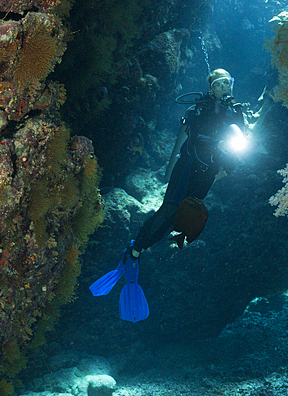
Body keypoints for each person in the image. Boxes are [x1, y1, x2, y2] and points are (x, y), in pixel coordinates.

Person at [89, 68, 249, 322]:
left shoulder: (236, 111)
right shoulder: (200, 107)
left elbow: (243, 143)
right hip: (187, 165)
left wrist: (228, 168)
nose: (224, 88)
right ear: (210, 87)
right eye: (218, 84)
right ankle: (135, 249)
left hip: (209, 171)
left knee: (187, 214)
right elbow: (194, 135)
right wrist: (216, 143)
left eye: (227, 83)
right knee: (170, 207)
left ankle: (155, 249)